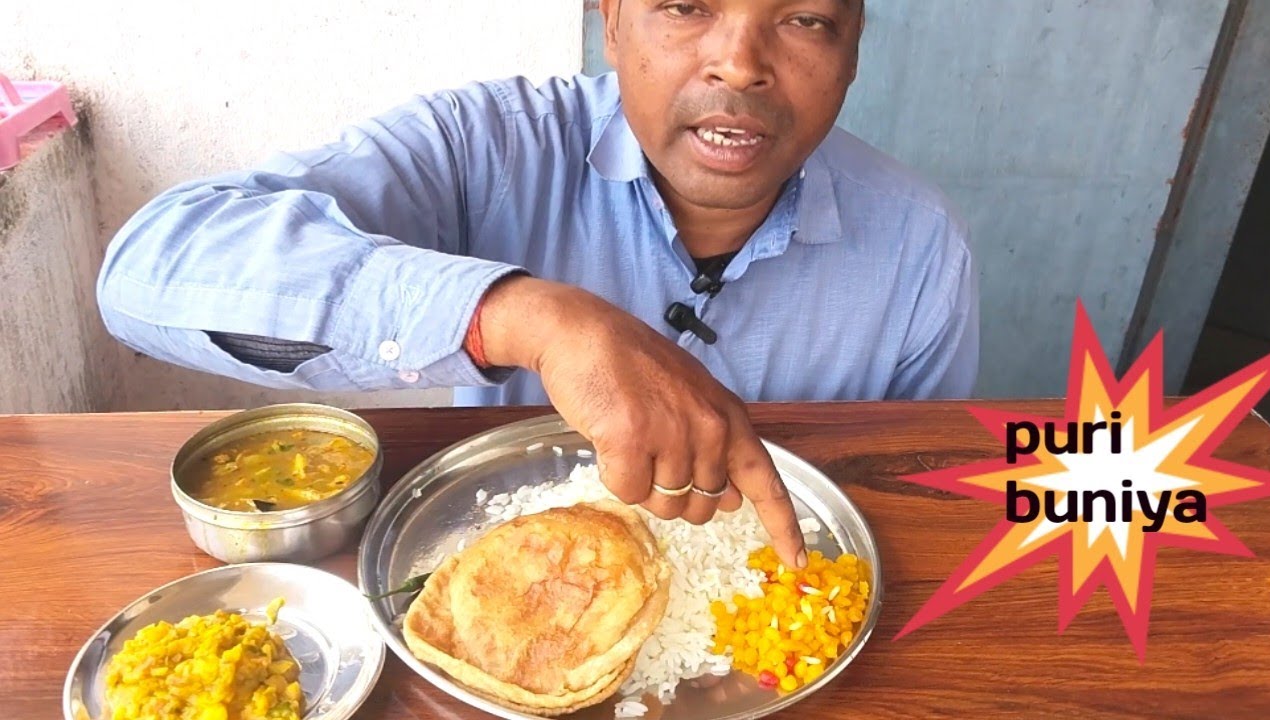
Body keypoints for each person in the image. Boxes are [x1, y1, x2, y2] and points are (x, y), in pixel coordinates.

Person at [95, 0, 979, 570]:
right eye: (685, 6)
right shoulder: (487, 147)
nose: (740, 64)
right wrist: (524, 316)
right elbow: (153, 264)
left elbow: (918, 508)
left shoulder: (918, 245)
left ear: (854, 49)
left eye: (806, 20)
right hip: (501, 609)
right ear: (612, 22)